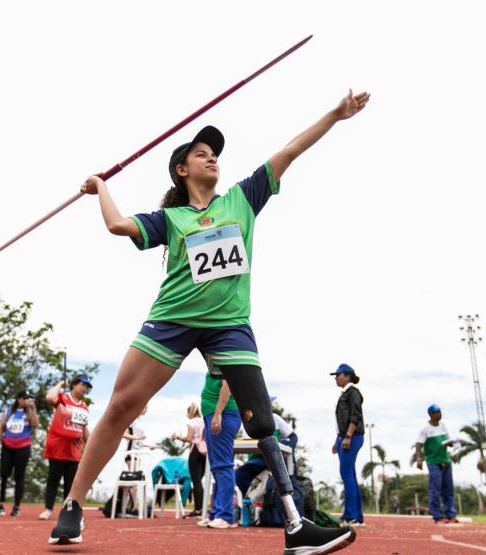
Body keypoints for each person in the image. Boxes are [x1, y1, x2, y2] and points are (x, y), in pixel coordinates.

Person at [48, 88, 370, 555]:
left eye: (216, 153)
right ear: (182, 169)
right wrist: (101, 187)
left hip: (229, 324)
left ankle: (296, 526)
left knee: (261, 421)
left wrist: (336, 115)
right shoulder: (171, 218)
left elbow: (290, 151)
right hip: (173, 320)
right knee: (121, 407)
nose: (213, 159)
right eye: (203, 154)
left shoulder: (241, 199)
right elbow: (118, 225)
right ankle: (73, 506)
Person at [38, 374, 92, 521]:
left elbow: (84, 429)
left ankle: (66, 511)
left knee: (71, 482)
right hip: (57, 447)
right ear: (74, 385)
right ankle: (48, 509)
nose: (84, 388)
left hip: (74, 450)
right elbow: (49, 398)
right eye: (82, 384)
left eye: (87, 387)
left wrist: (91, 445)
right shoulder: (63, 398)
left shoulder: (84, 407)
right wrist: (60, 383)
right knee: (53, 479)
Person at [200, 374, 240, 529]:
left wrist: (218, 413)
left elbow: (228, 382)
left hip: (223, 413)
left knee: (223, 466)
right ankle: (217, 513)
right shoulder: (215, 360)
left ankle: (225, 516)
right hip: (214, 414)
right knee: (217, 467)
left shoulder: (224, 355)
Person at [236, 402, 297, 499]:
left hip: (275, 458)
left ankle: (284, 503)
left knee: (284, 479)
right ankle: (245, 502)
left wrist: (288, 451)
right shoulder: (248, 422)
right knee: (239, 476)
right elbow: (247, 444)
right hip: (257, 460)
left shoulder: (275, 418)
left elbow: (293, 437)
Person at [0, 389, 39, 517]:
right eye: (25, 398)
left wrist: (34, 409)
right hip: (7, 447)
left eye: (29, 398)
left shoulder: (29, 412)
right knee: (3, 475)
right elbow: (1, 427)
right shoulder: (9, 412)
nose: (27, 400)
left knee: (19, 476)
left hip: (23, 448)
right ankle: (1, 505)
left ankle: (16, 507)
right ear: (19, 399)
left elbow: (35, 425)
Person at [331, 364, 365, 527]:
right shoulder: (344, 393)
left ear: (348, 376)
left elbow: (355, 415)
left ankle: (350, 516)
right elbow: (342, 420)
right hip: (344, 437)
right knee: (350, 474)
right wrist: (337, 440)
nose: (336, 378)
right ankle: (357, 516)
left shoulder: (353, 392)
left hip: (352, 437)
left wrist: (348, 436)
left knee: (346, 473)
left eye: (338, 375)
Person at [414, 404, 459, 524]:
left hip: (446, 460)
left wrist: (453, 442)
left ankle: (450, 514)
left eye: (440, 412)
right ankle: (437, 515)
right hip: (433, 461)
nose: (439, 414)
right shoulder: (425, 429)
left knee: (448, 489)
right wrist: (419, 459)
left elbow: (447, 441)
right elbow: (418, 445)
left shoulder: (443, 426)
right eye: (436, 412)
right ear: (430, 414)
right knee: (435, 489)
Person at [171, 401, 207, 518]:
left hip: (195, 451)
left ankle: (198, 509)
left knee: (196, 481)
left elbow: (189, 438)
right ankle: (203, 508)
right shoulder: (204, 421)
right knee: (200, 481)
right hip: (205, 451)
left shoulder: (191, 422)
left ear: (190, 412)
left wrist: (177, 437)